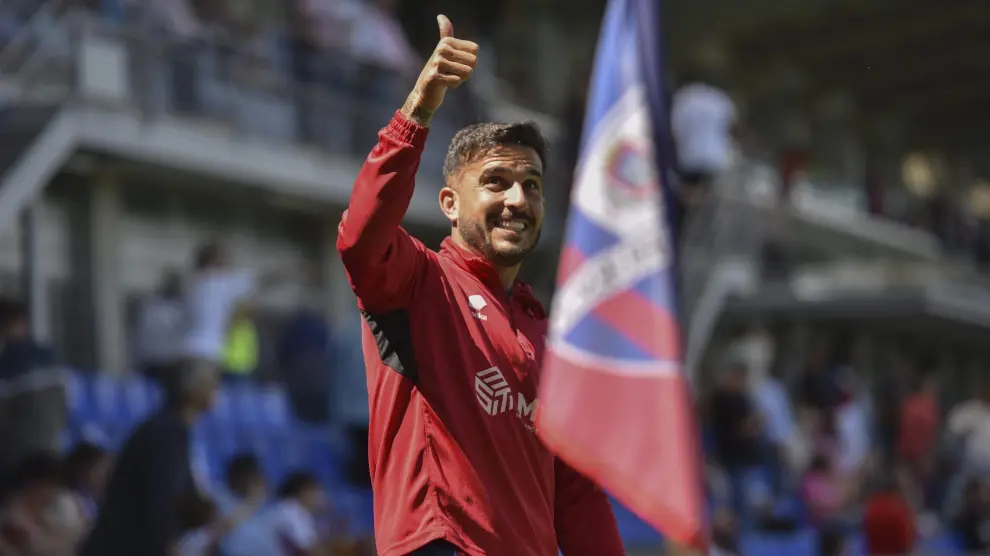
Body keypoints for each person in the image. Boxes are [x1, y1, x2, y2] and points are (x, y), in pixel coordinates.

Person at [336, 14, 623, 556]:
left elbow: (577, 493)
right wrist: (415, 114)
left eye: (531, 185)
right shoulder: (418, 281)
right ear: (449, 204)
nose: (517, 200)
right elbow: (360, 239)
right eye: (495, 182)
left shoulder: (547, 332)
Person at [78, 359, 221, 556]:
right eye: (212, 383)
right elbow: (161, 498)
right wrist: (169, 547)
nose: (217, 389)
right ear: (192, 388)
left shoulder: (175, 430)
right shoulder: (164, 432)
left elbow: (184, 499)